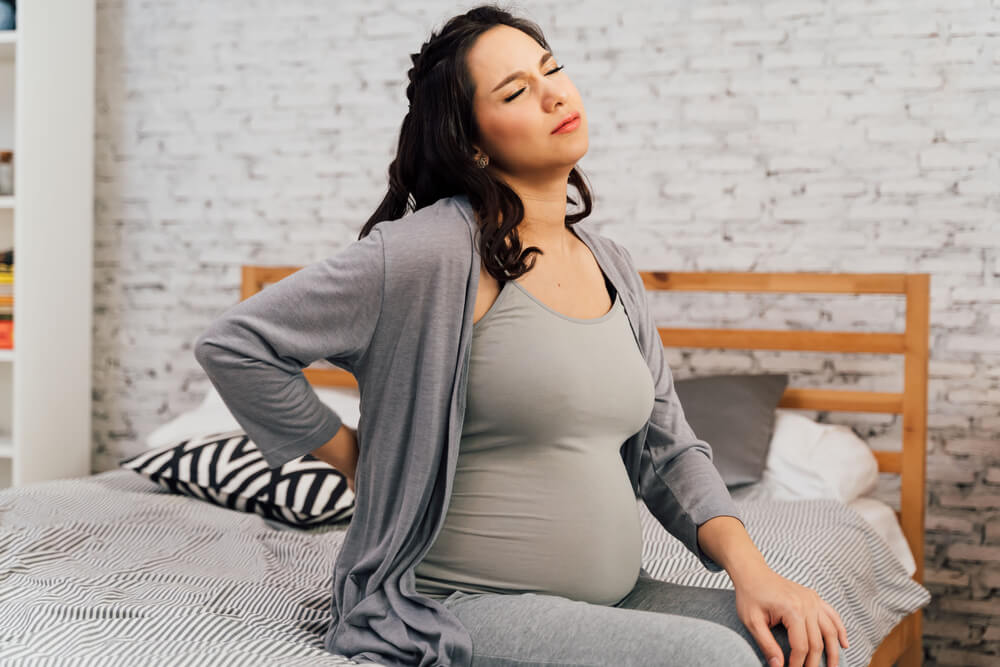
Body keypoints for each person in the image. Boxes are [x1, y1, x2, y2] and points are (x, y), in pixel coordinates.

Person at [194, 4, 849, 666]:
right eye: (516, 91)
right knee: (721, 661)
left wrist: (754, 572)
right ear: (473, 143)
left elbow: (667, 448)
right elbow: (236, 344)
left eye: (551, 69)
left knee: (808, 644)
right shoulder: (427, 254)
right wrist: (354, 456)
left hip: (614, 599)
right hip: (454, 604)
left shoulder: (610, 262)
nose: (554, 93)